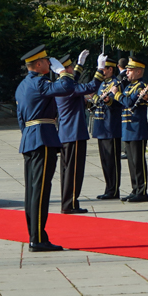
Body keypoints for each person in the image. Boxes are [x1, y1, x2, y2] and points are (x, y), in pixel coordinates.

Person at [14, 45, 86, 252]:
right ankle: (37, 239)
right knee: (41, 191)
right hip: (43, 139)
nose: (49, 64)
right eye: (46, 61)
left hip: (30, 138)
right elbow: (66, 88)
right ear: (38, 64)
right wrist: (63, 72)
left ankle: (36, 235)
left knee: (32, 191)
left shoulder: (23, 85)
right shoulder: (40, 83)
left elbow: (21, 118)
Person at [55, 50, 103, 214]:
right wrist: (100, 69)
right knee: (74, 172)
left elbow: (73, 81)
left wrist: (81, 65)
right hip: (74, 133)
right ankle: (70, 204)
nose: (73, 69)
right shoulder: (68, 88)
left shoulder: (61, 85)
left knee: (67, 171)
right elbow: (91, 86)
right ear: (65, 69)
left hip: (65, 134)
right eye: (71, 67)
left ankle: (68, 202)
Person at [113, 57, 148, 202]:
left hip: (137, 128)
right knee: (131, 162)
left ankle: (142, 191)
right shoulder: (129, 86)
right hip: (128, 129)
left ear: (138, 71)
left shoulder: (141, 86)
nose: (127, 73)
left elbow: (129, 102)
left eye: (130, 71)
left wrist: (116, 94)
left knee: (138, 162)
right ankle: (135, 188)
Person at [91, 56, 123, 200]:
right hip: (101, 126)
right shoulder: (101, 83)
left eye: (104, 69)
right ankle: (108, 187)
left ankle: (113, 189)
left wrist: (108, 101)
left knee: (112, 161)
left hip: (111, 126)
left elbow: (118, 104)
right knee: (104, 161)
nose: (102, 72)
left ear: (111, 69)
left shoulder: (116, 83)